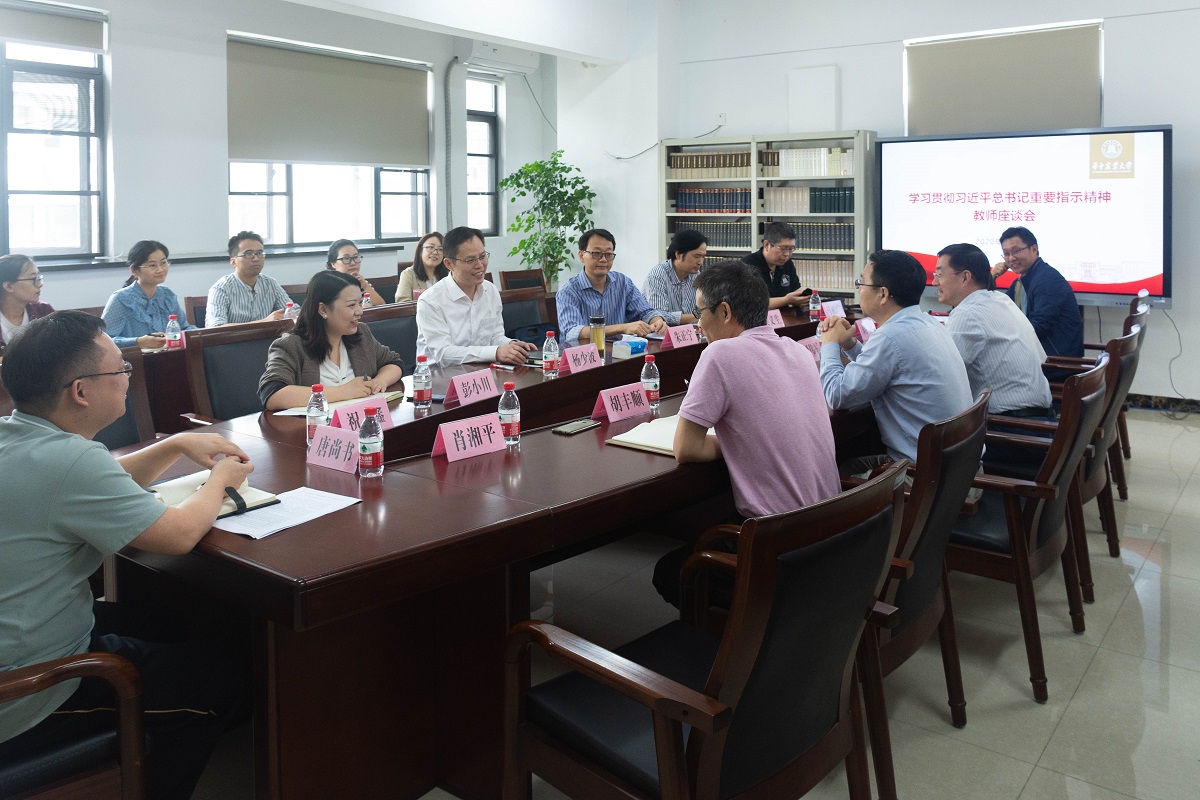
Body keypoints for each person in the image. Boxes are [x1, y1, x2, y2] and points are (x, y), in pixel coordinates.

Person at [0, 310, 252, 800]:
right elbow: (178, 534)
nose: (128, 377)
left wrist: (175, 444)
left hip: (28, 631)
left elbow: (92, 483)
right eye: (122, 369)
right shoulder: (71, 462)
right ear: (81, 390)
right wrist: (220, 481)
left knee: (182, 615)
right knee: (216, 681)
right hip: (26, 690)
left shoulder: (20, 437)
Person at [653, 260, 841, 607]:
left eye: (700, 313)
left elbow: (686, 448)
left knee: (672, 571)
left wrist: (734, 441)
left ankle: (733, 654)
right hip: (827, 530)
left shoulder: (720, 353)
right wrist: (748, 436)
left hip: (778, 543)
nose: (697, 324)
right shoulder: (797, 351)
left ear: (724, 312)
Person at [819, 249, 972, 468]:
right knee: (849, 461)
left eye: (861, 282)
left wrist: (829, 343)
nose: (859, 288)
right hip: (957, 466)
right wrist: (849, 344)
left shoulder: (890, 337)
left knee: (834, 470)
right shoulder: (927, 323)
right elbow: (883, 367)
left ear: (883, 294)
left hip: (924, 477)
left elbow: (836, 395)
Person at [935, 243, 1052, 416]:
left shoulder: (967, 313)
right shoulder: (998, 300)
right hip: (1038, 417)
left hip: (1010, 426)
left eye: (940, 274)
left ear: (965, 277)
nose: (935, 281)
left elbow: (943, 377)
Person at [259, 271, 405, 410]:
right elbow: (272, 393)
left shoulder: (361, 334)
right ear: (323, 309)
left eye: (360, 303)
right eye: (351, 305)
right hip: (312, 431)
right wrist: (344, 392)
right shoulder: (291, 345)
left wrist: (380, 381)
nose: (360, 311)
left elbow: (393, 363)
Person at [415, 226, 536, 366]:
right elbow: (444, 355)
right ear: (449, 264)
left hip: (481, 372)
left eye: (482, 256)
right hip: (440, 378)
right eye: (470, 260)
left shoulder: (490, 290)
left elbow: (494, 337)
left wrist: (512, 345)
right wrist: (496, 352)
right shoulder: (430, 301)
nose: (480, 265)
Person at [990, 226, 1083, 359]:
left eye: (1016, 251)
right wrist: (991, 278)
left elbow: (1037, 328)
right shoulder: (1024, 279)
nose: (1011, 258)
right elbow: (999, 309)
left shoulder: (1047, 280)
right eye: (1006, 254)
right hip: (1037, 355)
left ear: (1034, 249)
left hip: (1056, 363)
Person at [556, 229, 667, 340]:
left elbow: (645, 311)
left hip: (621, 352)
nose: (603, 259)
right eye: (596, 253)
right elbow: (572, 332)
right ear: (581, 255)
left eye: (608, 254)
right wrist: (623, 327)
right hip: (586, 354)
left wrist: (657, 321)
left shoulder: (623, 282)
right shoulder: (568, 291)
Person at [101, 240, 197, 349]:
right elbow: (103, 340)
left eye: (163, 263)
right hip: (135, 361)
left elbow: (184, 328)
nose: (160, 269)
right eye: (152, 265)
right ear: (134, 270)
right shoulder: (121, 299)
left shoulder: (167, 296)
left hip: (170, 357)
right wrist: (138, 341)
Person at [205, 231, 291, 326]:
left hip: (268, 339)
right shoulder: (221, 289)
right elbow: (216, 328)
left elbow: (291, 311)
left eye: (259, 253)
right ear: (233, 262)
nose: (256, 259)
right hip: (235, 340)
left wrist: (293, 313)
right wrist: (263, 322)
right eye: (248, 254)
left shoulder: (270, 284)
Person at [642, 229, 707, 326]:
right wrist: (697, 316)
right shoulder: (658, 275)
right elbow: (658, 316)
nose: (700, 262)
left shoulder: (696, 275)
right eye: (696, 256)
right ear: (678, 255)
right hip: (660, 336)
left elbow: (704, 307)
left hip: (689, 334)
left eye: (703, 257)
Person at [741, 221, 811, 310]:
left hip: (786, 319)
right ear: (767, 245)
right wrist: (786, 300)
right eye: (783, 248)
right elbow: (752, 304)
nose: (787, 254)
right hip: (758, 321)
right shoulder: (747, 265)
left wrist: (804, 298)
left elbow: (795, 289)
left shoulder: (787, 263)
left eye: (791, 249)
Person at [0, 254, 54, 358]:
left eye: (39, 278)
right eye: (33, 278)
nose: (40, 284)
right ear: (9, 286)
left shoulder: (44, 311)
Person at [326, 239, 381, 304]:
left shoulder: (362, 283)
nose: (353, 263)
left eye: (355, 257)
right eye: (346, 258)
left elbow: (381, 309)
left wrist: (365, 286)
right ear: (333, 264)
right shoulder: (328, 287)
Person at [397, 232, 448, 302]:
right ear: (420, 251)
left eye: (440, 249)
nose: (435, 252)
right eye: (430, 247)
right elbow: (402, 303)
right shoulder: (408, 274)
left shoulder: (448, 275)